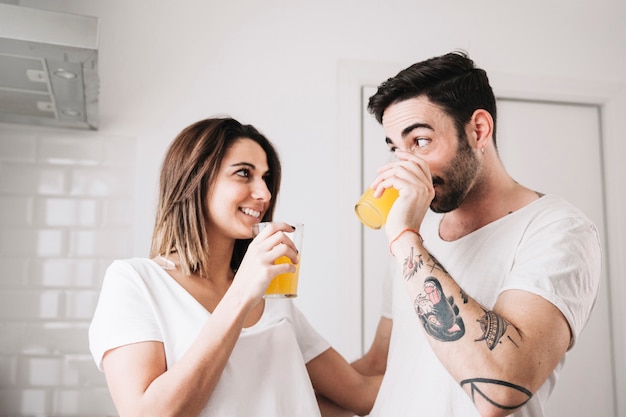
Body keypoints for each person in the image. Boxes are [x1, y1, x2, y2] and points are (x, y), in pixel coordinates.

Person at [350, 51, 601, 417]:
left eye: (419, 142)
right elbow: (378, 370)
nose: (404, 167)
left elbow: (500, 390)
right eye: (395, 149)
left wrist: (404, 237)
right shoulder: (418, 239)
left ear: (478, 130)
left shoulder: (557, 229)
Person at [88, 117, 380, 417]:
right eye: (244, 173)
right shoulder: (136, 282)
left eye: (266, 178)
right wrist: (242, 294)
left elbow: (359, 394)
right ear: (194, 178)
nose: (264, 194)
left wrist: (402, 261)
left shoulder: (274, 296)